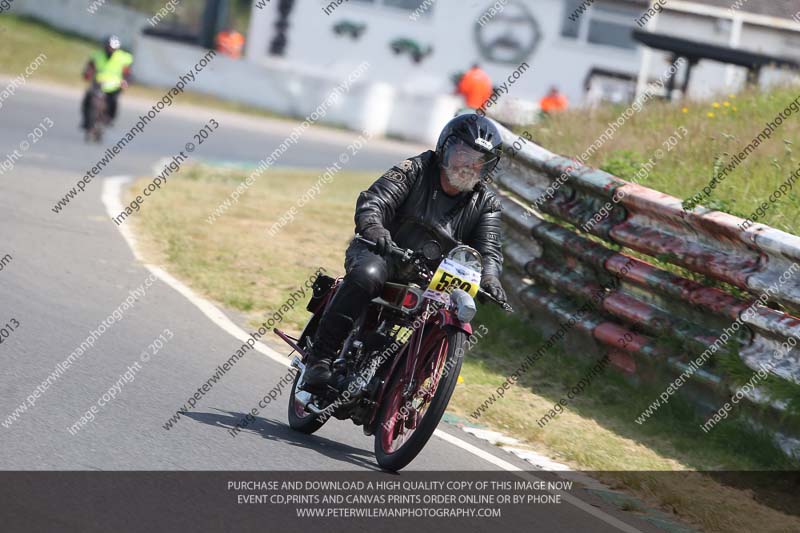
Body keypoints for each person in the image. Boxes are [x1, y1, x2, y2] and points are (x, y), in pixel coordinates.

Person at [302, 113, 507, 392]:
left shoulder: (487, 203)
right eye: (464, 154)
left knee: (451, 314)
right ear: (446, 148)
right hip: (384, 252)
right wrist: (376, 230)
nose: (469, 165)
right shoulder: (415, 169)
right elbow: (374, 201)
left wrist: (491, 279)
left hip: (433, 275)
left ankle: (407, 386)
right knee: (367, 275)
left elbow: (489, 250)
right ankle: (320, 359)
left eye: (479, 160)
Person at [80, 35, 133, 130]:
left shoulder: (123, 58)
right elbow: (90, 68)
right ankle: (86, 121)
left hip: (114, 85)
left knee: (114, 101)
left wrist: (126, 81)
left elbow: (127, 73)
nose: (111, 50)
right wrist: (87, 74)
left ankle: (109, 118)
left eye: (113, 49)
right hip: (98, 83)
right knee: (88, 99)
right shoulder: (97, 55)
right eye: (109, 48)